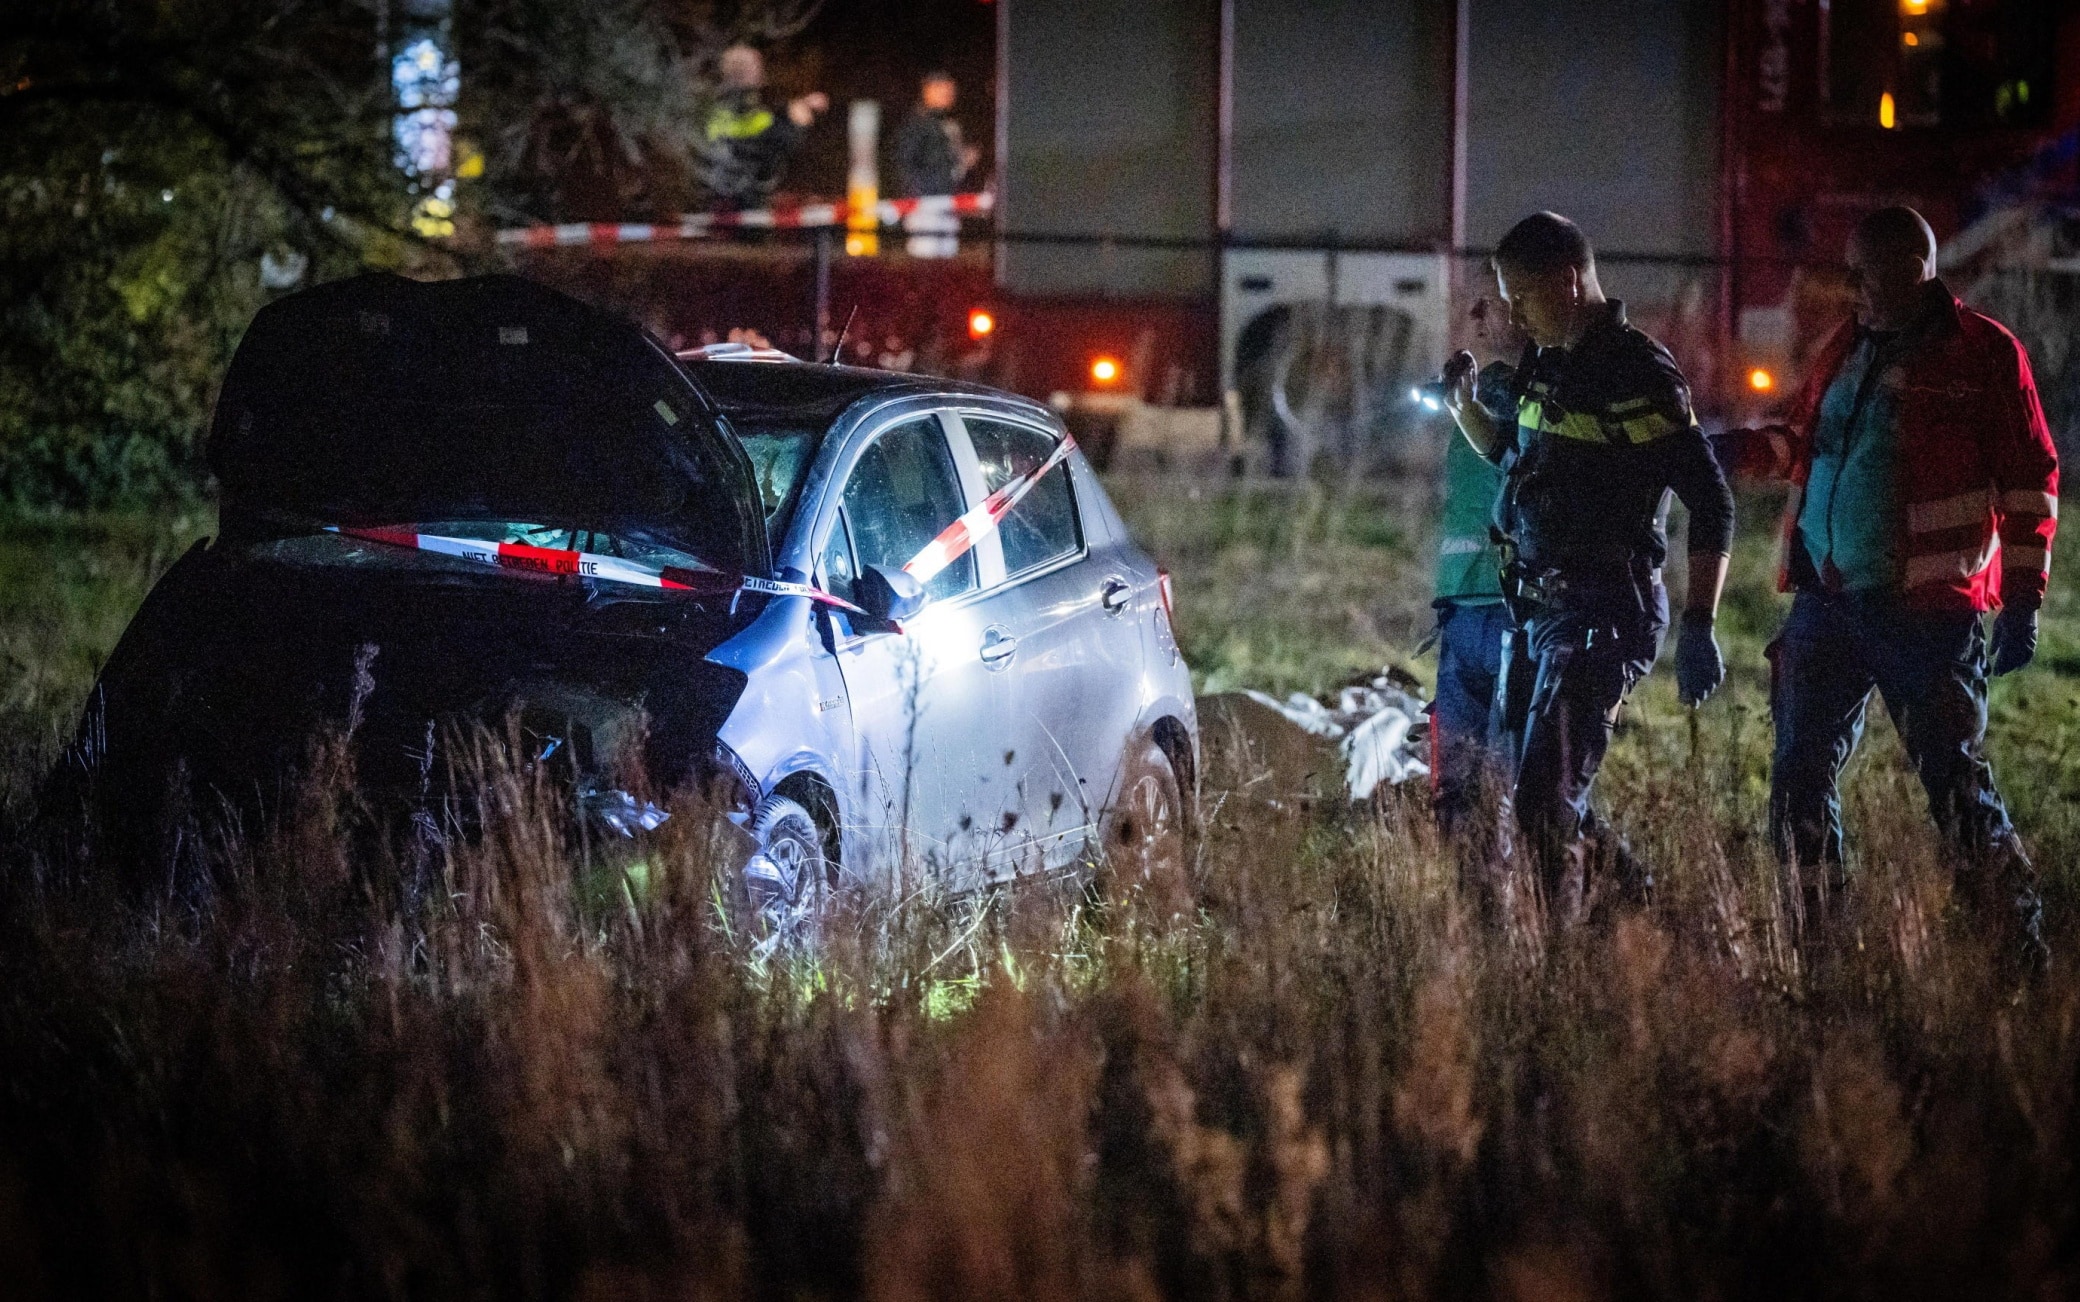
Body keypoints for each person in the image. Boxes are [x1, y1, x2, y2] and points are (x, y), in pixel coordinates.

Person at [1714, 206, 2057, 963]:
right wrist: (1728, 450)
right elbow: (1799, 438)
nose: (1850, 288)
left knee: (1955, 787)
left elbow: (2032, 482)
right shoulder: (1847, 347)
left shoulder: (1984, 355)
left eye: (1862, 273)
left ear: (1913, 268)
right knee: (1799, 772)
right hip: (1829, 605)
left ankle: (2018, 952)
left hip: (1928, 617)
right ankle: (1820, 948)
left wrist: (2024, 601)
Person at [1442, 212, 1735, 915]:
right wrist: (1463, 409)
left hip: (1607, 610)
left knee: (1544, 800)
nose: (1513, 312)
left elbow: (1712, 501)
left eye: (1525, 296)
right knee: (1543, 792)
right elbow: (1517, 455)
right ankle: (1644, 917)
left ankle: (1572, 969)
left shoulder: (1638, 371)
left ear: (1570, 282)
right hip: (1543, 612)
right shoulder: (1549, 361)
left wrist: (1700, 623)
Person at [1429, 294, 1522, 840]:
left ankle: (1626, 892)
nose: (1477, 316)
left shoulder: (1551, 394)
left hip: (1520, 614)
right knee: (1459, 792)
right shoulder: (1477, 392)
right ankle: (1470, 912)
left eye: (1495, 302)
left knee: (1519, 790)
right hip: (1464, 610)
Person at [695, 44, 828, 212]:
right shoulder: (739, 106)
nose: (761, 72)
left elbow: (761, 127)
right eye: (756, 67)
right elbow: (765, 143)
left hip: (723, 194)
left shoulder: (722, 103)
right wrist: (796, 123)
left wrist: (795, 107)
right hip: (740, 199)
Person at [894, 71, 981, 257]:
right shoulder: (917, 124)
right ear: (928, 91)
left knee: (947, 257)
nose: (949, 96)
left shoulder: (949, 123)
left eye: (951, 92)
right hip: (925, 204)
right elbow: (905, 162)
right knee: (925, 257)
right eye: (944, 91)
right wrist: (917, 196)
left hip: (948, 200)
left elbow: (946, 159)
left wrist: (963, 160)